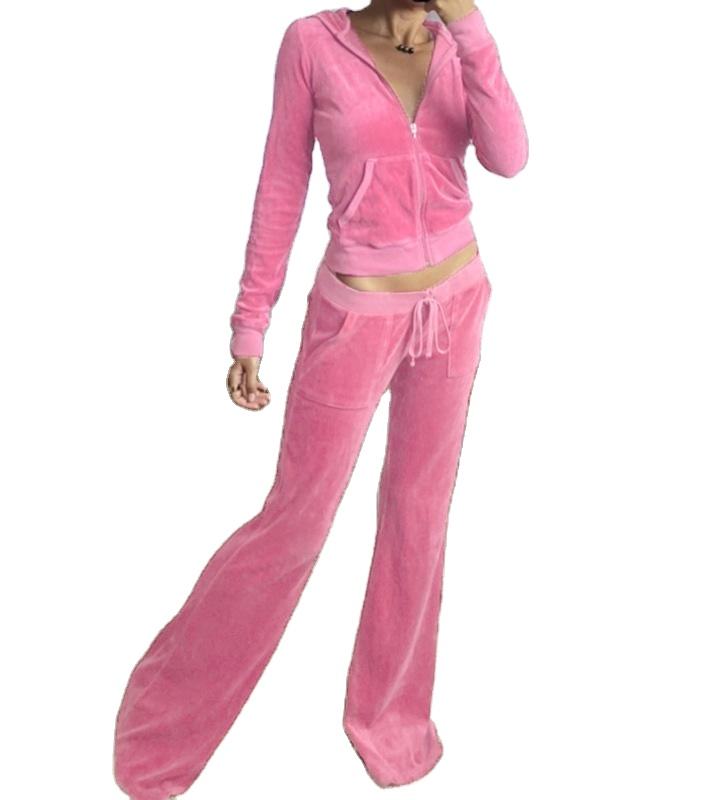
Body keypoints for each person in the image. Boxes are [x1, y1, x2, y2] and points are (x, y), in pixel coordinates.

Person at [113, 2, 528, 797]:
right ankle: (163, 722)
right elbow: (282, 182)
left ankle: (391, 723)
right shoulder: (312, 44)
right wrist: (250, 323)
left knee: (418, 519)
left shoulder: (453, 45)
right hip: (354, 319)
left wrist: (470, 26)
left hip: (456, 305)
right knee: (293, 525)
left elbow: (509, 156)